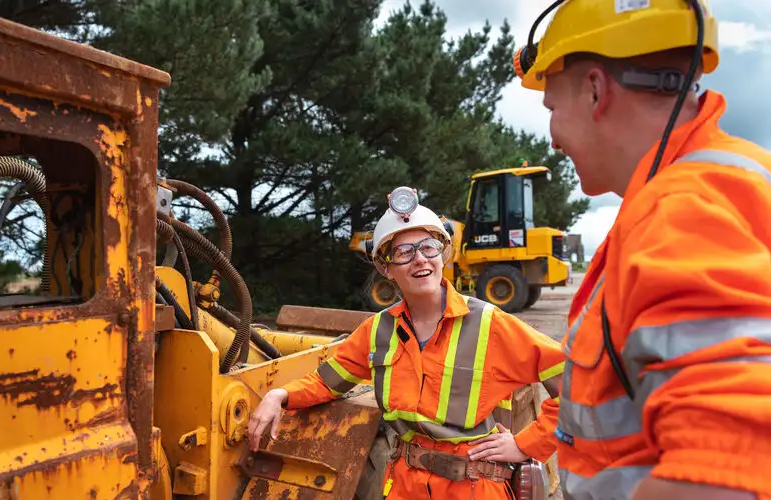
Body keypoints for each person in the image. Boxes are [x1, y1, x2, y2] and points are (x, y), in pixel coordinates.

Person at [512, 1, 771, 499]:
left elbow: (729, 472)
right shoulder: (722, 180)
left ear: (594, 90)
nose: (551, 138)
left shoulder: (684, 209)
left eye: (551, 109)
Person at [247, 187, 567, 499]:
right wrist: (281, 394)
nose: (420, 260)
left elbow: (576, 384)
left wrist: (526, 444)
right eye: (404, 252)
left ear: (442, 253)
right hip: (404, 484)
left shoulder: (490, 323)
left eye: (428, 247)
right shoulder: (378, 331)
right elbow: (328, 381)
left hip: (474, 486)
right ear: (386, 268)